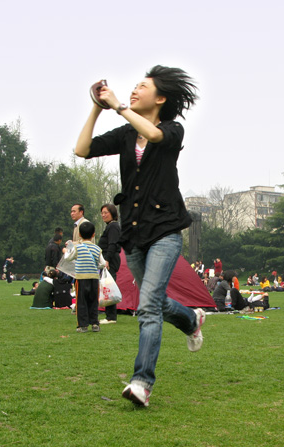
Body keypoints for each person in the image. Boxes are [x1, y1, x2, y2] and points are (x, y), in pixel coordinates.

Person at [75, 65, 204, 407]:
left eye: (142, 87)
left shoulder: (171, 130)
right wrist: (95, 107)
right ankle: (191, 319)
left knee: (148, 307)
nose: (134, 90)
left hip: (165, 231)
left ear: (160, 98)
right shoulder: (126, 135)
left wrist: (119, 105)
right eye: (133, 86)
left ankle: (141, 383)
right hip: (133, 234)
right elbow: (82, 149)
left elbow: (155, 134)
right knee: (156, 303)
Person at [63, 221, 106, 332]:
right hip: (94, 278)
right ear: (93, 235)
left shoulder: (78, 248)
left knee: (81, 301)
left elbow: (68, 258)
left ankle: (83, 325)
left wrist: (67, 250)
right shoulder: (97, 249)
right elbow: (103, 263)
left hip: (81, 278)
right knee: (93, 301)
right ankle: (95, 324)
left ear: (80, 235)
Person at [98, 203, 121, 325]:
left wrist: (107, 260)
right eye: (102, 213)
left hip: (110, 259)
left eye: (106, 212)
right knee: (107, 287)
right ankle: (109, 315)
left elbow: (112, 244)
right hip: (108, 258)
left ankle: (111, 317)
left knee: (109, 287)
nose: (103, 215)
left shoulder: (113, 227)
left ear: (112, 213)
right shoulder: (110, 226)